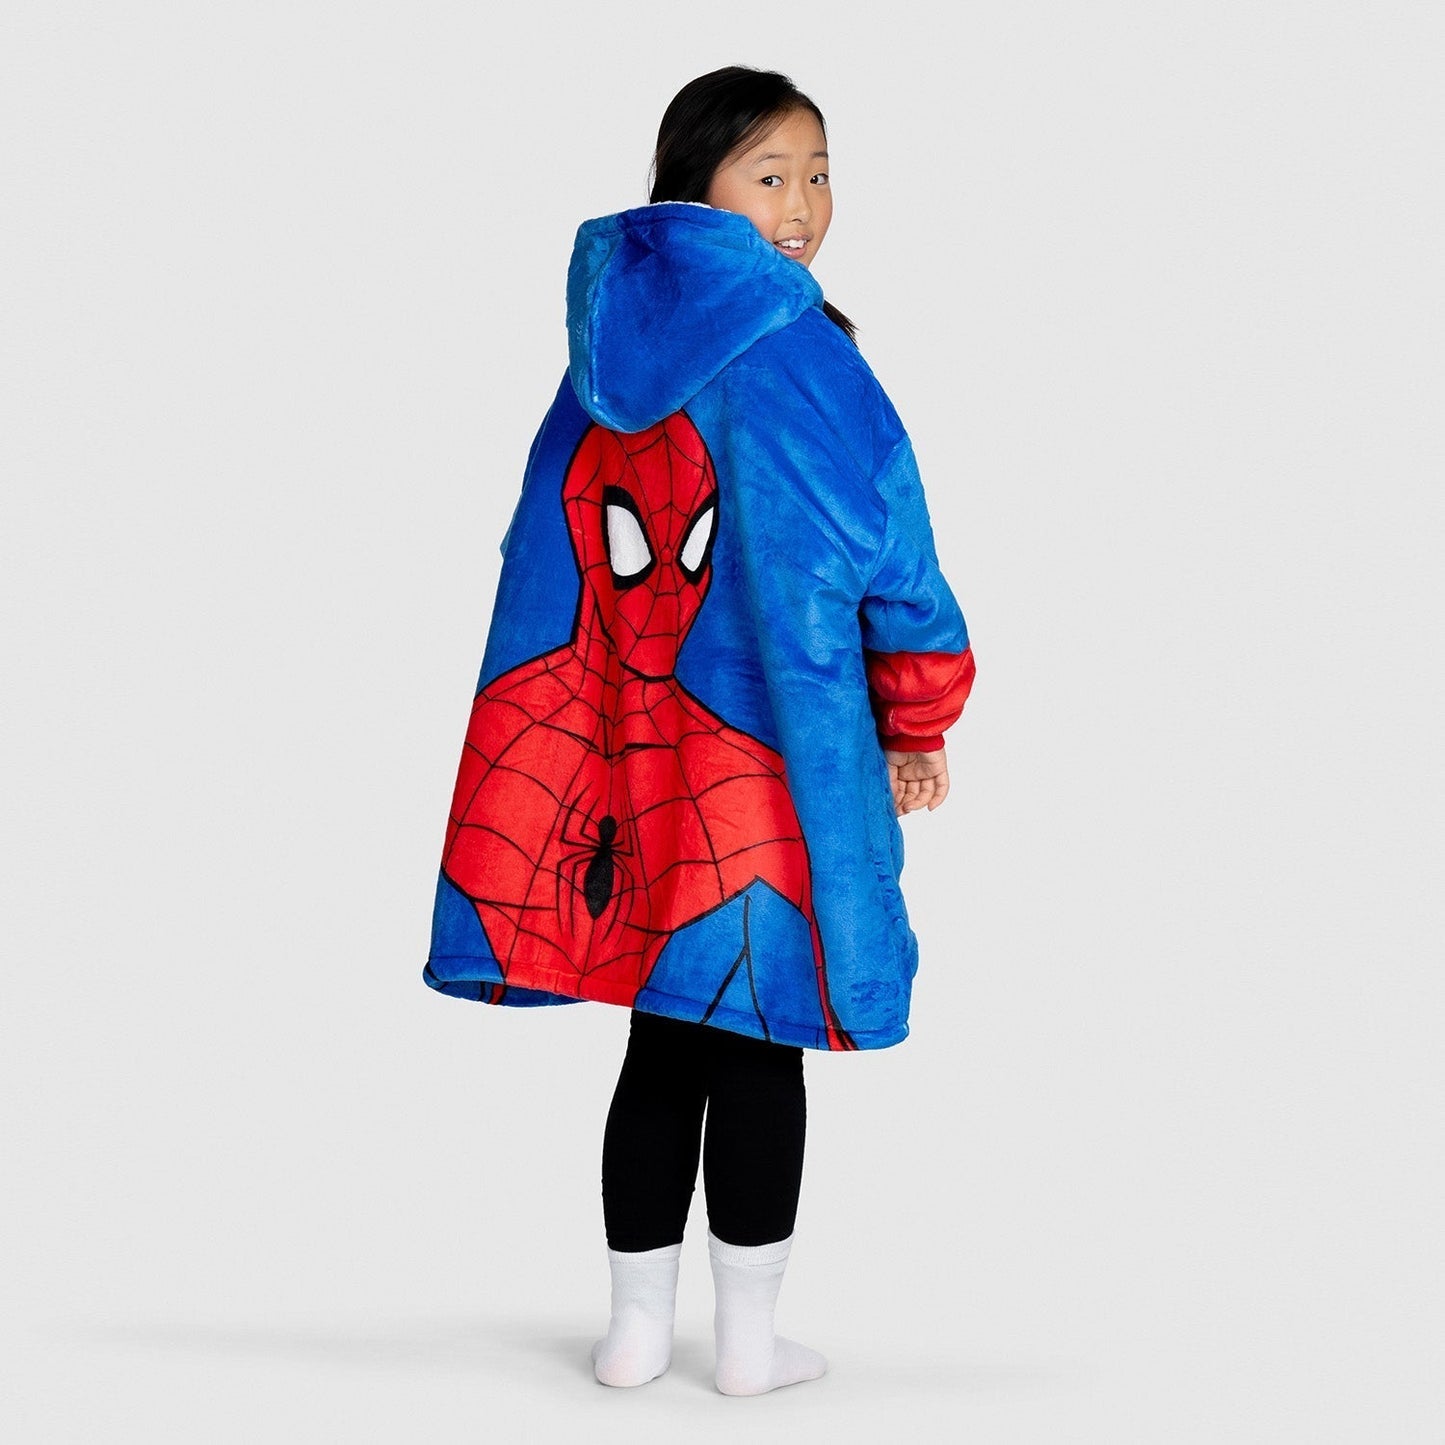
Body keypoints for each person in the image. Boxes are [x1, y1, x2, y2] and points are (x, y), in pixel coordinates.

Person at [423, 66, 976, 1395]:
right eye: (769, 174)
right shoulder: (804, 352)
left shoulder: (599, 360)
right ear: (696, 187)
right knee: (759, 1029)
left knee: (663, 1033)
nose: (802, 206)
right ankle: (744, 1346)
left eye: (819, 173)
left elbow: (542, 564)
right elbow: (895, 562)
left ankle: (630, 1336)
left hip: (628, 756)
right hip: (775, 756)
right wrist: (917, 717)